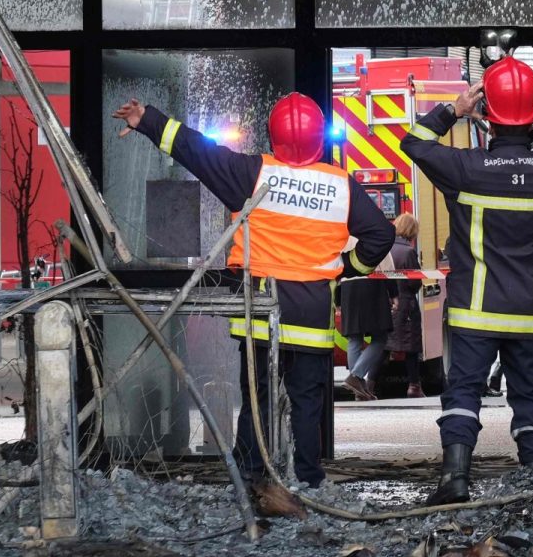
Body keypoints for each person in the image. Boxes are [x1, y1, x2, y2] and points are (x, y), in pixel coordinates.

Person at [113, 90, 394, 517]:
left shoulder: (252, 172)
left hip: (261, 314)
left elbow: (196, 151)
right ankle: (309, 480)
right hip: (312, 317)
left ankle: (250, 478)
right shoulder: (341, 185)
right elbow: (381, 236)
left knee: (257, 400)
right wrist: (347, 267)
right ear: (321, 139)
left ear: (273, 137)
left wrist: (146, 119)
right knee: (307, 403)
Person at [399, 57, 533, 505]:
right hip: (528, 314)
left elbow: (413, 142)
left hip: (475, 310)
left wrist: (452, 110)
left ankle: (455, 479)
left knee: (464, 392)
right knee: (529, 397)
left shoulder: (465, 167)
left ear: (487, 116)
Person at [387, 212, 426, 399]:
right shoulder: (408, 252)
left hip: (388, 304)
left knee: (385, 346)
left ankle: (367, 384)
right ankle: (414, 386)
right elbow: (415, 282)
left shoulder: (386, 249)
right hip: (407, 305)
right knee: (411, 348)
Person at [337, 273, 391, 401]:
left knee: (354, 338)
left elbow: (337, 272)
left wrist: (337, 299)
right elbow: (389, 271)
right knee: (380, 338)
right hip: (374, 289)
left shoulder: (342, 250)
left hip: (347, 290)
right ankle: (355, 376)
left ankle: (359, 389)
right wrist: (394, 294)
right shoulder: (380, 251)